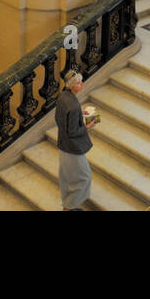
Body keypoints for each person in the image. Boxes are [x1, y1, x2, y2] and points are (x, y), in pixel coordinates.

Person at [56, 69, 95, 210]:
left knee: (66, 179)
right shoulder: (72, 105)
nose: (82, 84)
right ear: (72, 85)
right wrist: (88, 126)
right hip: (72, 148)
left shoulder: (63, 97)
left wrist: (80, 113)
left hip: (63, 144)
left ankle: (68, 206)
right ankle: (68, 207)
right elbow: (73, 132)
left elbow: (61, 118)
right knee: (84, 179)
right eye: (79, 82)